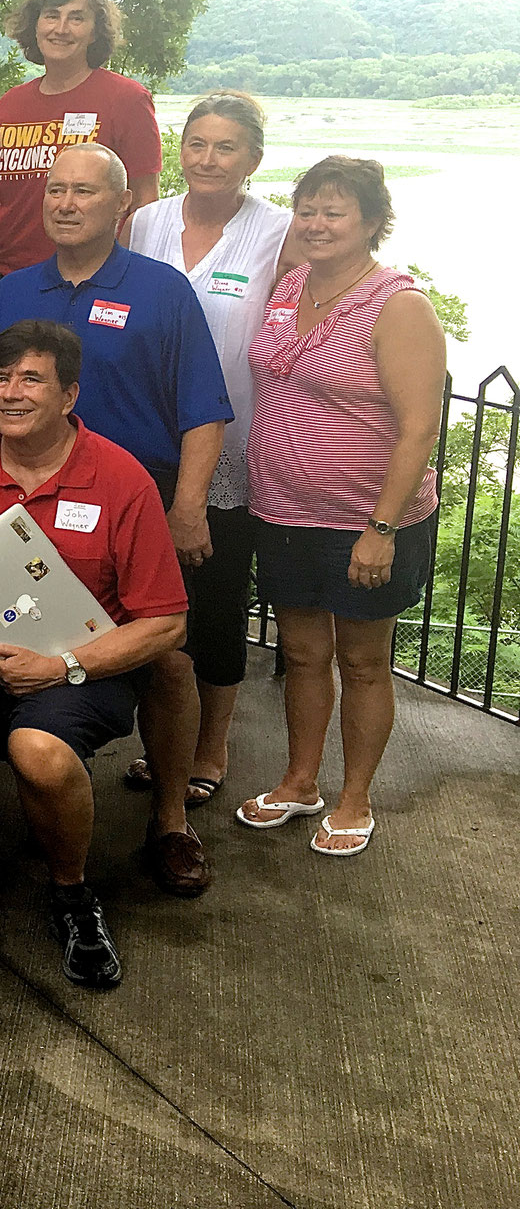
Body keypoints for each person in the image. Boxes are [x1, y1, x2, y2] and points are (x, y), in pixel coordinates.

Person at [0, 142, 231, 895]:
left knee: (166, 659)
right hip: (12, 492)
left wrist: (186, 505)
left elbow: (203, 406)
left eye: (83, 191)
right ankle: (7, 798)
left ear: (121, 204)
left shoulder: (163, 291)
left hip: (128, 494)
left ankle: (169, 822)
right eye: (54, 189)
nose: (64, 203)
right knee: (6, 631)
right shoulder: (13, 291)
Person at [0, 321, 187, 986]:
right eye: (0, 378)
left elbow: (166, 623)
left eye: (31, 378)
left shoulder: (121, 478)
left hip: (79, 664)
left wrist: (61, 667)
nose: (11, 393)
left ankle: (71, 895)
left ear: (69, 395)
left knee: (39, 752)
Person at [236, 157, 444, 858]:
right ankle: (300, 781)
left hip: (366, 521)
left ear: (371, 223)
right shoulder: (291, 286)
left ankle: (355, 797)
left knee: (360, 661)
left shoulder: (398, 304)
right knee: (300, 652)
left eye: (335, 211)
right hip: (284, 509)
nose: (317, 223)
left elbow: (419, 426)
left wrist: (380, 529)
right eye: (307, 208)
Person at [126, 92, 297, 802]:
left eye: (225, 147)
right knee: (144, 601)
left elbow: (298, 325)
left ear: (252, 159)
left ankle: (211, 747)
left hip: (231, 447)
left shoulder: (276, 231)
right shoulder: (146, 220)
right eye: (196, 143)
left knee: (216, 601)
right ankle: (158, 744)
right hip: (142, 441)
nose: (208, 159)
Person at [0, 0, 161, 313]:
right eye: (51, 16)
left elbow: (145, 201)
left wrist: (133, 283)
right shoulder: (11, 103)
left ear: (94, 32)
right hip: (5, 277)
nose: (61, 28)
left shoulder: (127, 99)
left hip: (90, 279)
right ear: (35, 25)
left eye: (77, 18)